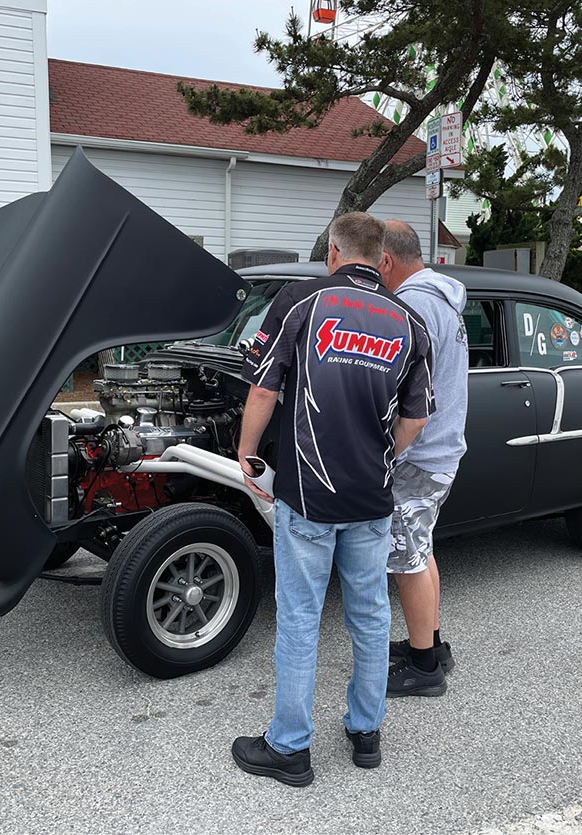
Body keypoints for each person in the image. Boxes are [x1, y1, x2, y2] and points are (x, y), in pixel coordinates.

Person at [231, 212, 434, 787]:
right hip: (371, 498)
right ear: (381, 258)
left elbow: (264, 385)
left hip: (308, 497)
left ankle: (290, 748)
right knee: (369, 615)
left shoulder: (302, 301)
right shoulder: (407, 320)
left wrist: (246, 453)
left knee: (299, 618)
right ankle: (366, 733)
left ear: (334, 254)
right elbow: (417, 416)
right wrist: (382, 458)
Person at [378, 220, 469, 698]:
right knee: (421, 548)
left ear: (387, 261)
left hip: (418, 453)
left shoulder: (411, 304)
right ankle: (431, 643)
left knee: (405, 559)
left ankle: (423, 669)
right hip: (441, 449)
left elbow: (398, 388)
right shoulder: (442, 299)